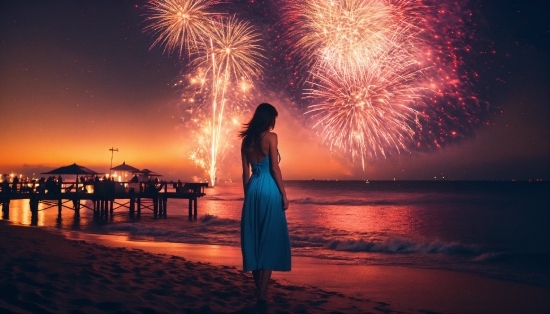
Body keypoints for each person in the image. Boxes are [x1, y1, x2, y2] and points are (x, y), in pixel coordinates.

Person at [239, 103, 291, 303]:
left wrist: (248, 195)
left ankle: (258, 290)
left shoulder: (245, 142)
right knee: (268, 238)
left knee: (253, 238)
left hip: (253, 189)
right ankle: (262, 293)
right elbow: (275, 169)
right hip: (269, 188)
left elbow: (245, 173)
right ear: (268, 119)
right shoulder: (271, 137)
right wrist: (284, 195)